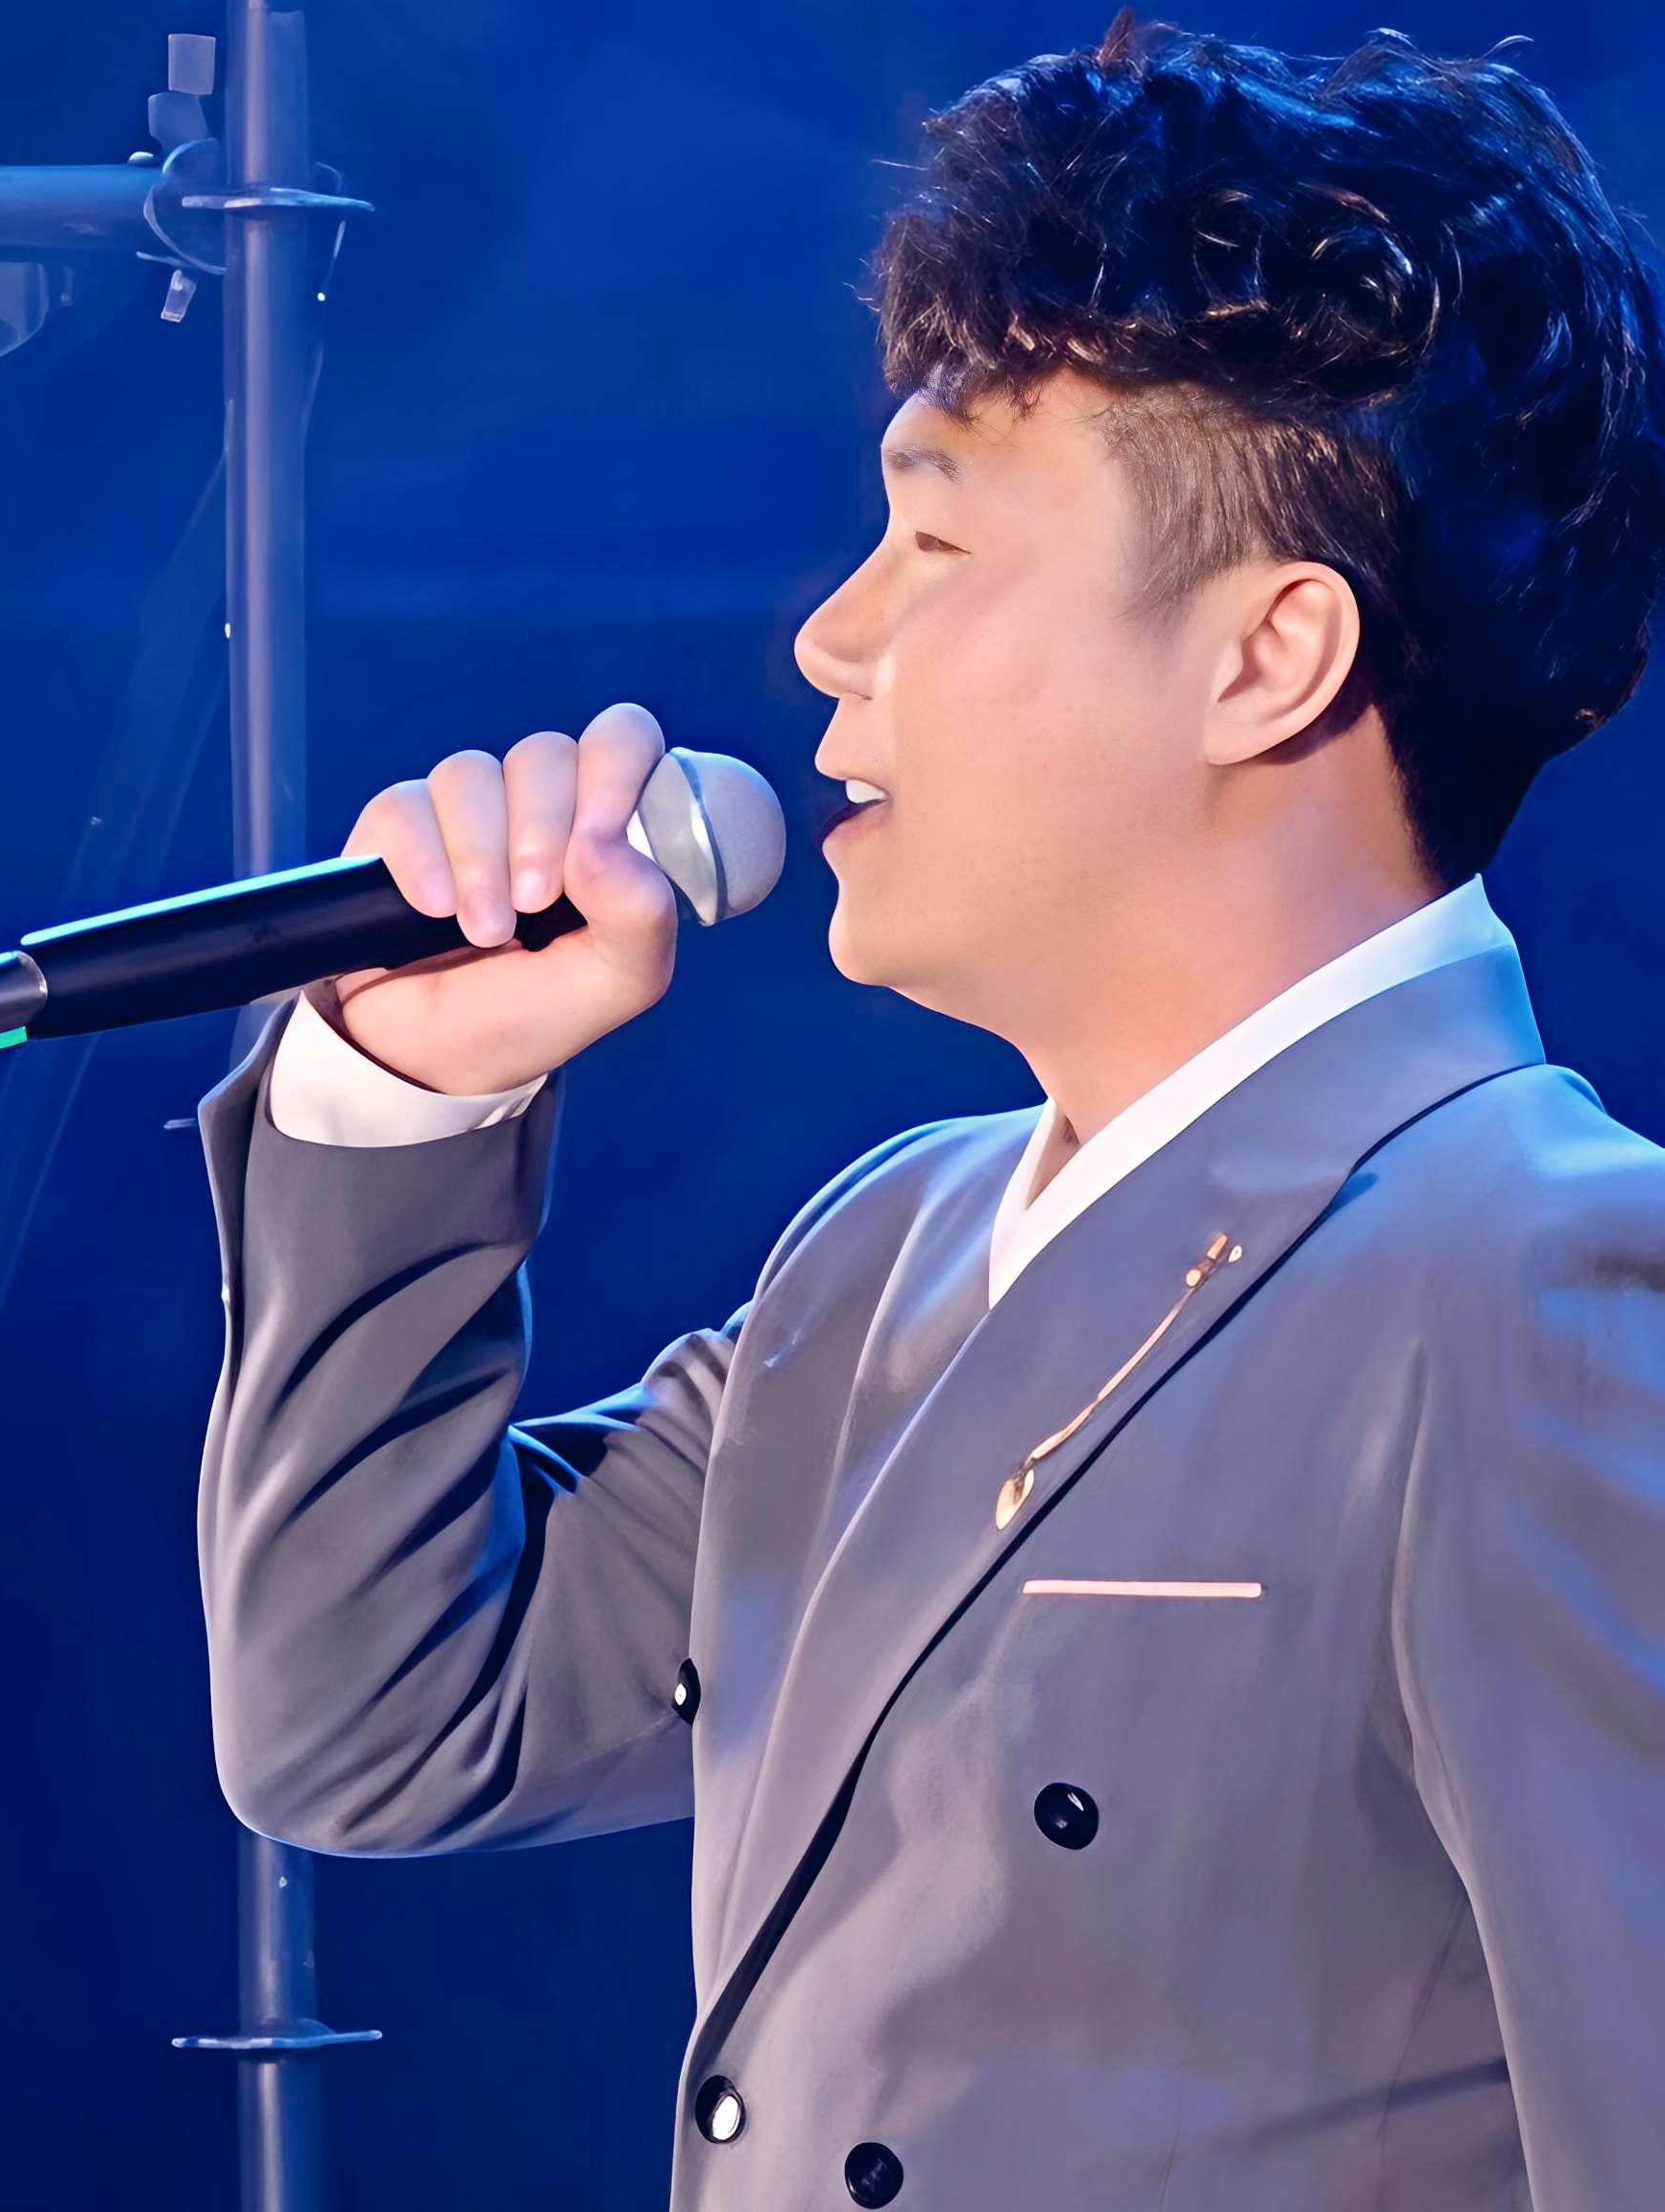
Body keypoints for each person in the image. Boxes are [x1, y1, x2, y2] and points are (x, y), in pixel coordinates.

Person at [193, 23, 1665, 2209]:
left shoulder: (1544, 1282)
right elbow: (377, 1721)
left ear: (1266, 656)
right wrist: (403, 1090)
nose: (827, 636)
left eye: (934, 540)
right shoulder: (879, 1260)